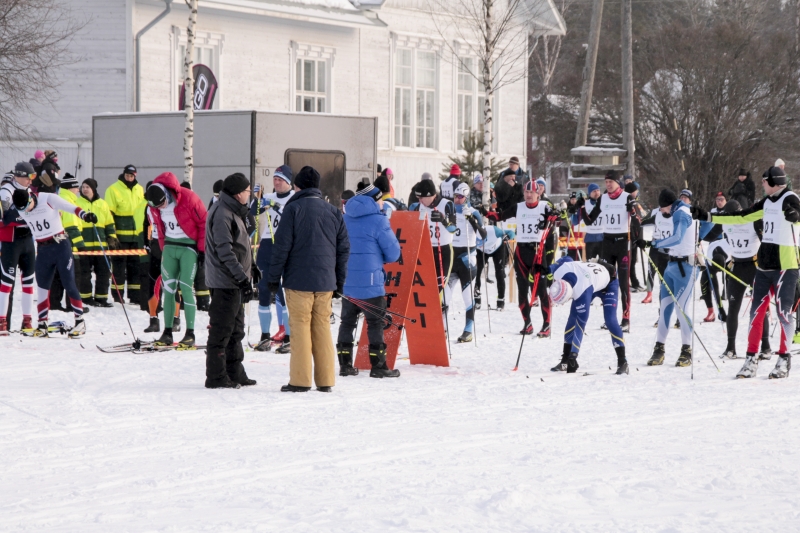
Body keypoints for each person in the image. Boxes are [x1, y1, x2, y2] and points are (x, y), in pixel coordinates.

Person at [693, 166, 798, 379]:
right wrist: (708, 217)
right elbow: (740, 217)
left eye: (764, 181)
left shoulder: (790, 197)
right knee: (756, 313)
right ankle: (751, 359)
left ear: (773, 182)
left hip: (786, 265)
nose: (761, 184)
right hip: (763, 265)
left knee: (783, 313)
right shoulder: (766, 202)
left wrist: (795, 215)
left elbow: (798, 214)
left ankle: (784, 359)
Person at [268, 166, 350, 393]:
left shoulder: (292, 209)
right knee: (322, 328)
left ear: (297, 186)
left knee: (301, 328)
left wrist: (273, 279)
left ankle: (300, 381)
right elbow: (344, 249)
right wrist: (338, 282)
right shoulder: (333, 211)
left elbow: (281, 248)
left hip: (298, 281)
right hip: (325, 282)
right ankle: (326, 380)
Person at [6, 185, 98, 337]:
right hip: (43, 250)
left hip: (60, 246)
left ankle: (80, 321)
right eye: (22, 210)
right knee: (42, 287)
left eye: (27, 207)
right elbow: (6, 218)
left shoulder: (47, 198)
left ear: (31, 197)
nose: (26, 211)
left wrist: (85, 215)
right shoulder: (21, 207)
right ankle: (42, 324)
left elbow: (71, 208)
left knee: (69, 283)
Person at [337, 183, 401, 377]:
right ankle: (378, 366)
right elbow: (393, 253)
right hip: (371, 283)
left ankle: (345, 365)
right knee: (375, 323)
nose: (382, 203)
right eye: (380, 199)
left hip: (347, 282)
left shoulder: (344, 218)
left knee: (347, 323)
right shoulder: (379, 221)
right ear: (374, 200)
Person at [205, 173, 257, 389]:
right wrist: (242, 279)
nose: (249, 195)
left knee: (236, 330)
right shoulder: (222, 214)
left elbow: (241, 245)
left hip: (234, 281)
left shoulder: (234, 211)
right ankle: (216, 376)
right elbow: (225, 251)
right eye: (247, 191)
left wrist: (252, 268)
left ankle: (235, 371)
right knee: (222, 330)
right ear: (238, 194)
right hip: (224, 281)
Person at [145, 172, 207, 348]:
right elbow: (159, 225)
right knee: (169, 288)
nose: (162, 207)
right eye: (158, 206)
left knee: (186, 288)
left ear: (167, 193)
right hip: (170, 247)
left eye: (163, 203)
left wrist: (202, 250)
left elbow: (203, 222)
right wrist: (163, 248)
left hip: (188, 246)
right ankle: (167, 332)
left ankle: (190, 333)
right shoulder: (155, 205)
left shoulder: (188, 198)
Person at [703, 200, 771, 358]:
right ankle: (730, 348)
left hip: (754, 266)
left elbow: (767, 242)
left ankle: (766, 347)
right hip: (737, 267)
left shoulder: (753, 221)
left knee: (759, 309)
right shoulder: (725, 222)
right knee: (733, 308)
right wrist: (695, 238)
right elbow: (709, 237)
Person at [491, 180, 556, 336]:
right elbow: (500, 216)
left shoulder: (544, 206)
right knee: (522, 289)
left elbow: (556, 218)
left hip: (538, 252)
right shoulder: (519, 207)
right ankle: (527, 324)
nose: (528, 195)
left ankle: (546, 325)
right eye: (526, 192)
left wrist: (552, 218)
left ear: (538, 193)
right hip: (521, 251)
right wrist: (486, 212)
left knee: (541, 290)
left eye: (531, 192)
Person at [576, 172, 636, 332]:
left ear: (618, 182)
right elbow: (590, 221)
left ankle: (626, 319)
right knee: (608, 283)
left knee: (623, 283)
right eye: (606, 182)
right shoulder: (603, 199)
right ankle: (610, 319)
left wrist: (633, 210)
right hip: (607, 243)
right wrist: (581, 207)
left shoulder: (627, 197)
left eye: (611, 181)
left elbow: (638, 218)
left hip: (623, 243)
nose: (608, 184)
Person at [548, 257, 628, 375]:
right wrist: (545, 268)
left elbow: (581, 325)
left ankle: (623, 362)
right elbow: (567, 258)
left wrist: (573, 356)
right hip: (590, 280)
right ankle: (565, 360)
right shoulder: (559, 273)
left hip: (608, 283)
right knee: (571, 319)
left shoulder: (581, 291)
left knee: (610, 320)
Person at [647, 189, 697, 367]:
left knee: (681, 310)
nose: (661, 212)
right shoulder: (676, 212)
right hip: (671, 266)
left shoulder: (682, 213)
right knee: (664, 310)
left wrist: (654, 244)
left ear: (667, 205)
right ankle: (659, 349)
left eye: (662, 209)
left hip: (686, 268)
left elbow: (677, 238)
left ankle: (687, 351)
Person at [250, 164, 294, 352]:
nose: (276, 182)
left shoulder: (294, 198)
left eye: (280, 180)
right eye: (275, 179)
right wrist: (257, 198)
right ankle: (265, 336)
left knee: (285, 293)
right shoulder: (268, 196)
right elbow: (253, 212)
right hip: (267, 244)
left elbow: (287, 214)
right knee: (264, 290)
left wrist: (274, 206)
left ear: (288, 182)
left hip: (285, 244)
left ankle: (289, 336)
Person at [410, 179, 457, 327]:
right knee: (424, 288)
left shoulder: (447, 204)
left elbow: (453, 229)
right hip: (425, 251)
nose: (419, 200)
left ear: (431, 195)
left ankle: (439, 323)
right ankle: (425, 322)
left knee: (439, 287)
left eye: (421, 197)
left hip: (443, 251)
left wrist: (443, 220)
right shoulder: (417, 207)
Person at [0, 163, 37, 333]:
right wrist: (26, 215)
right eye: (29, 177)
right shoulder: (6, 190)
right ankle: (2, 322)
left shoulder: (29, 190)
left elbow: (33, 212)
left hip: (27, 240)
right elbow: (5, 219)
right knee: (7, 282)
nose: (31, 181)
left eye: (33, 177)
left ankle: (27, 321)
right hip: (11, 242)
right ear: (19, 176)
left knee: (28, 282)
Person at [448, 182, 487, 343]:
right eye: (456, 196)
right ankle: (442, 329)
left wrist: (471, 219)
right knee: (444, 299)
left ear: (467, 197)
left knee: (467, 298)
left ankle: (468, 330)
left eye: (461, 197)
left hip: (467, 259)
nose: (457, 200)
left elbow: (483, 235)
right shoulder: (449, 211)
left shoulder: (473, 212)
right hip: (451, 258)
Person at [105, 164, 145, 304]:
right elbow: (109, 214)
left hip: (136, 236)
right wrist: (112, 235)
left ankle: (135, 295)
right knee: (119, 266)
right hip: (121, 236)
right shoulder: (113, 189)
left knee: (135, 266)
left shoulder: (140, 189)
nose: (129, 177)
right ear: (124, 174)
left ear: (135, 175)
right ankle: (117, 295)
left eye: (132, 175)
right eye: (127, 175)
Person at [74, 178, 117, 308]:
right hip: (84, 246)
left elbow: (109, 222)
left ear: (93, 189)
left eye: (88, 187)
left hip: (100, 245)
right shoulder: (77, 203)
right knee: (84, 273)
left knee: (103, 272)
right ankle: (86, 297)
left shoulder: (103, 204)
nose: (85, 189)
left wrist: (112, 237)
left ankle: (102, 297)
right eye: (83, 187)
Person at [49, 174, 86, 312]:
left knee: (58, 275)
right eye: (77, 187)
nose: (78, 190)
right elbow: (71, 226)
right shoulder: (67, 201)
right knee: (73, 275)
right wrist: (80, 246)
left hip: (57, 243)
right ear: (71, 188)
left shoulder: (61, 198)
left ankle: (54, 303)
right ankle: (72, 305)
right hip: (69, 244)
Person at [698, 192, 728, 323]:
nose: (719, 201)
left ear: (726, 200)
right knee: (706, 279)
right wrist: (699, 238)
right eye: (717, 199)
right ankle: (713, 311)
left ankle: (726, 299)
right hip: (713, 246)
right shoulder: (713, 211)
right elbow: (707, 227)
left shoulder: (731, 212)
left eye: (721, 199)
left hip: (727, 249)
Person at [475, 223, 514, 311]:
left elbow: (511, 232)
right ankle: (477, 299)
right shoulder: (474, 233)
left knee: (499, 273)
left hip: (498, 248)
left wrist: (508, 237)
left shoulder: (495, 231)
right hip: (482, 251)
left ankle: (500, 301)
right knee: (476, 272)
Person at [581, 183, 604, 260]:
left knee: (603, 263)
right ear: (589, 193)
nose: (597, 193)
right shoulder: (585, 203)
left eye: (598, 190)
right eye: (594, 191)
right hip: (590, 238)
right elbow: (576, 220)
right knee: (590, 263)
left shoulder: (604, 203)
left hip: (602, 238)